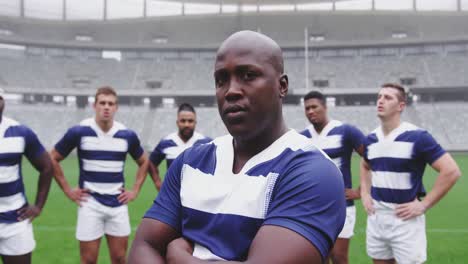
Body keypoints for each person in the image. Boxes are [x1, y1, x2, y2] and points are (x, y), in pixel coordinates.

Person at [128, 31, 346, 264]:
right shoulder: (190, 162)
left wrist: (179, 257)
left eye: (248, 75)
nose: (230, 90)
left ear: (282, 86)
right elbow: (144, 246)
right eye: (221, 80)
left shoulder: (313, 173)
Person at [360, 83, 461, 264]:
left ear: (401, 106)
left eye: (388, 97)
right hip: (376, 218)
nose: (381, 101)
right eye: (379, 97)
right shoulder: (370, 140)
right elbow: (365, 165)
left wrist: (424, 205)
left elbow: (451, 170)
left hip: (404, 220)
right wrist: (364, 193)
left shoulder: (417, 137)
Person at [50, 87, 149, 264]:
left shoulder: (126, 135)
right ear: (94, 105)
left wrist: (134, 190)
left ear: (116, 108)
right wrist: (68, 190)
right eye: (102, 103)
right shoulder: (79, 132)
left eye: (110, 104)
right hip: (90, 203)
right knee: (88, 260)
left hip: (117, 204)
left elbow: (144, 161)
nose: (106, 107)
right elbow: (53, 158)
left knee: (119, 259)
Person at [300, 91, 365, 264]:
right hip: (312, 208)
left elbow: (372, 157)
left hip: (341, 206)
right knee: (319, 257)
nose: (311, 111)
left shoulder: (346, 131)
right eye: (307, 108)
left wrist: (361, 191)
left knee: (339, 257)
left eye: (315, 107)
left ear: (325, 107)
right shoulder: (302, 137)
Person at [0, 88, 53, 264]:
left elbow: (46, 167)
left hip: (16, 220)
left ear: (4, 102)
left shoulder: (20, 132)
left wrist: (38, 206)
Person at [148, 103, 211, 191]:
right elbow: (151, 163)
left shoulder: (206, 143)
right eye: (183, 121)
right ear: (177, 122)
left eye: (190, 121)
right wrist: (158, 182)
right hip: (173, 197)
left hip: (198, 198)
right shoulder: (166, 142)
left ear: (195, 122)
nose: (186, 124)